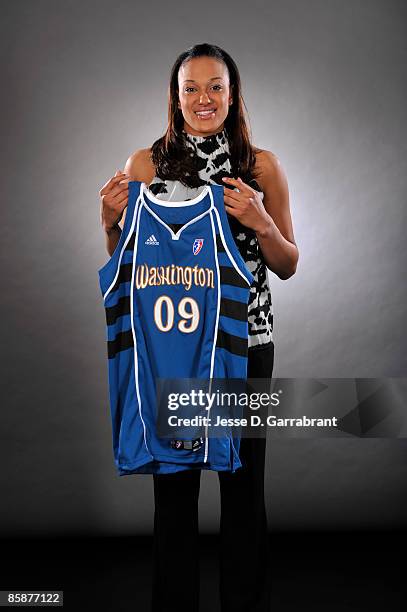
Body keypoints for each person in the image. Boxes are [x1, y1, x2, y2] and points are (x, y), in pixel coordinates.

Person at [99, 43, 298, 612]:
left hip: (246, 346)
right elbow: (130, 266)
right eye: (191, 88)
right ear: (175, 95)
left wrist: (260, 220)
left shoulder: (261, 166)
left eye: (215, 87)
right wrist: (109, 224)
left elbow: (287, 264)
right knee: (175, 491)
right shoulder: (146, 165)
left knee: (242, 492)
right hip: (174, 350)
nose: (203, 99)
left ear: (233, 95)